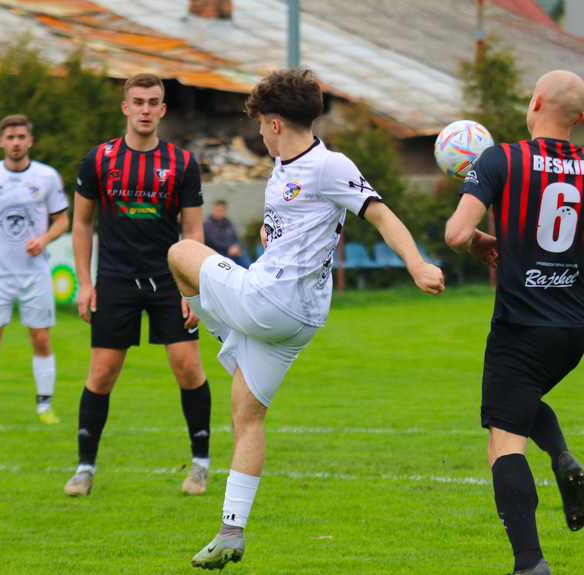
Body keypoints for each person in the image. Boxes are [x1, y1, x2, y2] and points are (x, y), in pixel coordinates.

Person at [167, 67, 445, 570]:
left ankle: (209, 318)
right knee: (246, 414)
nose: (257, 133)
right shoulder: (283, 167)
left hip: (271, 301)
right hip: (299, 317)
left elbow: (380, 213)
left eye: (259, 125)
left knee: (181, 251)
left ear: (274, 123)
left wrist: (417, 263)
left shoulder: (328, 166)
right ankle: (231, 531)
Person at [445, 70, 584, 575]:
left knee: (503, 439)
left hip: (520, 326)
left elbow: (456, 233)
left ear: (535, 102)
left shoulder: (501, 158)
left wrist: (480, 238)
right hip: (570, 330)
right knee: (521, 403)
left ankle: (530, 563)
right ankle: (563, 456)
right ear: (581, 118)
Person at [63, 73, 212, 499]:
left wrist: (194, 290)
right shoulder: (98, 159)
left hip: (170, 283)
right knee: (102, 373)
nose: (145, 109)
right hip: (114, 281)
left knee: (188, 369)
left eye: (153, 102)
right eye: (138, 101)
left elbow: (193, 231)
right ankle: (84, 468)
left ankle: (200, 465)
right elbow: (81, 223)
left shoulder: (183, 163)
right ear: (125, 107)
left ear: (163, 110)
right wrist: (85, 283)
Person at [0, 114, 70, 426]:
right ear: (1, 142)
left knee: (40, 339)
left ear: (30, 141)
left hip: (35, 274)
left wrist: (45, 239)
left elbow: (63, 220)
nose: (16, 142)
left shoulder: (47, 176)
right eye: (11, 137)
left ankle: (45, 407)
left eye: (21, 137)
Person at [203, 200, 251, 268]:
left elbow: (236, 237)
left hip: (233, 252)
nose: (217, 212)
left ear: (224, 212)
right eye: (215, 210)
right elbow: (213, 242)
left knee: (245, 260)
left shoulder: (228, 222)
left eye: (220, 210)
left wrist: (237, 247)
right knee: (231, 266)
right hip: (219, 253)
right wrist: (228, 249)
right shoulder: (207, 225)